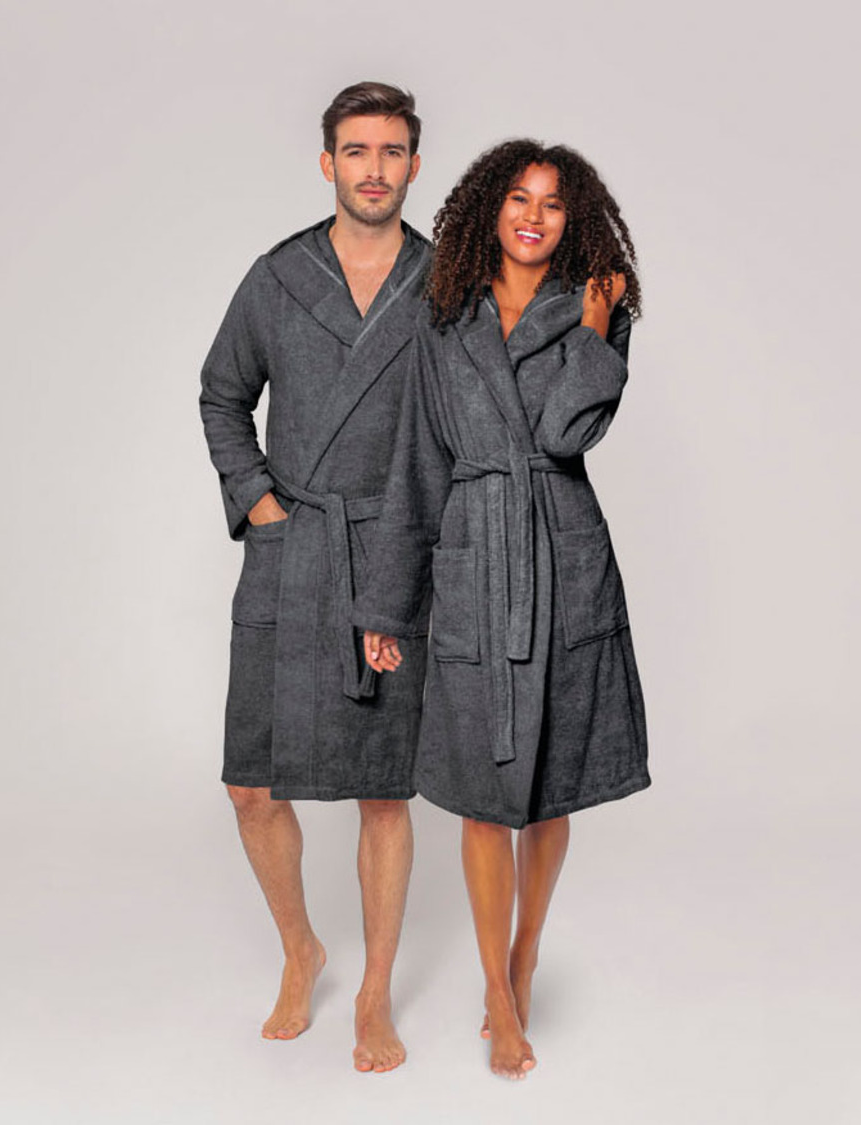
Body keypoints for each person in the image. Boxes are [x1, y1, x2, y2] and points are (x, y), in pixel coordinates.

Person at [355, 139, 650, 1079]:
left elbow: (564, 432)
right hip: (474, 561)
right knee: (485, 795)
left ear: (573, 220)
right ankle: (494, 985)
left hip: (562, 554)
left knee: (548, 786)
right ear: (490, 208)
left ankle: (525, 953)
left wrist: (594, 332)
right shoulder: (442, 315)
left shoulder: (597, 307)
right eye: (519, 198)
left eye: (553, 204)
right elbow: (415, 462)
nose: (534, 215)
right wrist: (387, 605)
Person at [198, 81, 431, 1074]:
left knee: (384, 790)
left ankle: (374, 992)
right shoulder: (278, 277)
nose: (374, 169)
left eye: (392, 151)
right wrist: (261, 506)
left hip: (393, 551)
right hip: (293, 553)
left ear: (414, 164)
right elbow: (221, 395)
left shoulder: (444, 284)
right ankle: (302, 949)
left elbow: (468, 426)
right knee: (251, 784)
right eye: (357, 150)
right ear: (328, 161)